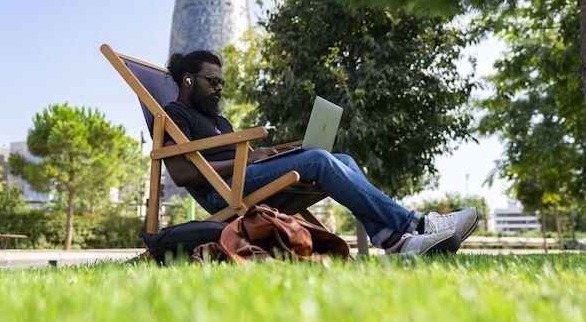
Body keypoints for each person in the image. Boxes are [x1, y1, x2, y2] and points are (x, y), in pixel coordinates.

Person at [161, 50, 479, 256]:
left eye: (222, 81)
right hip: (224, 193)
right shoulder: (174, 115)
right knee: (318, 160)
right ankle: (417, 225)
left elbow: (241, 155)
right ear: (188, 79)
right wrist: (248, 159)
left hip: (246, 178)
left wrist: (265, 153)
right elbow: (181, 173)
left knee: (342, 160)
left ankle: (394, 241)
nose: (219, 87)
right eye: (212, 81)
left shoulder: (219, 120)